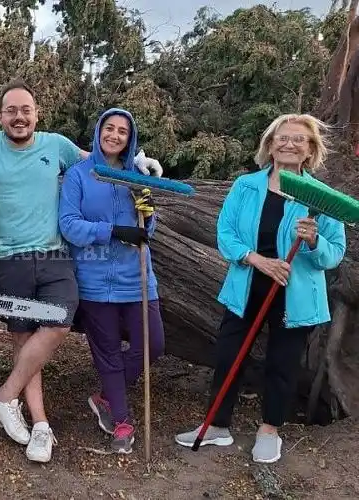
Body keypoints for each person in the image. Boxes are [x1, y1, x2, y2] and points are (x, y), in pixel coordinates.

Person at [174, 113, 346, 464]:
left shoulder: (322, 199)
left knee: (282, 363)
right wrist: (256, 260)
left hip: (294, 294)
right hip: (246, 285)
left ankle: (269, 430)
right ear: (270, 145)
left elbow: (335, 254)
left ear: (310, 149)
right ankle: (217, 426)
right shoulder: (246, 186)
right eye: (282, 137)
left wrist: (314, 241)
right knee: (228, 356)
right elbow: (226, 233)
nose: (289, 144)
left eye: (298, 139)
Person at [0, 80, 87, 463]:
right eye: (11, 111)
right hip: (8, 258)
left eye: (25, 110)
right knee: (24, 339)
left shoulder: (56, 145)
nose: (19, 117)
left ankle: (4, 396)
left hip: (53, 255)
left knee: (59, 323)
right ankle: (41, 425)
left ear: (37, 114)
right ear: (0, 116)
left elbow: (95, 161)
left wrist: (136, 161)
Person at [58, 108, 165, 455]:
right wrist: (113, 231)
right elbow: (69, 225)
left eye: (122, 131)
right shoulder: (79, 175)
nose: (114, 135)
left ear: (130, 138)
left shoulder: (137, 176)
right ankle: (120, 419)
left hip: (137, 277)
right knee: (108, 354)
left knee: (153, 345)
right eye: (109, 128)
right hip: (94, 278)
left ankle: (106, 395)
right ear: (99, 131)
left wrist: (148, 215)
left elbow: (147, 230)